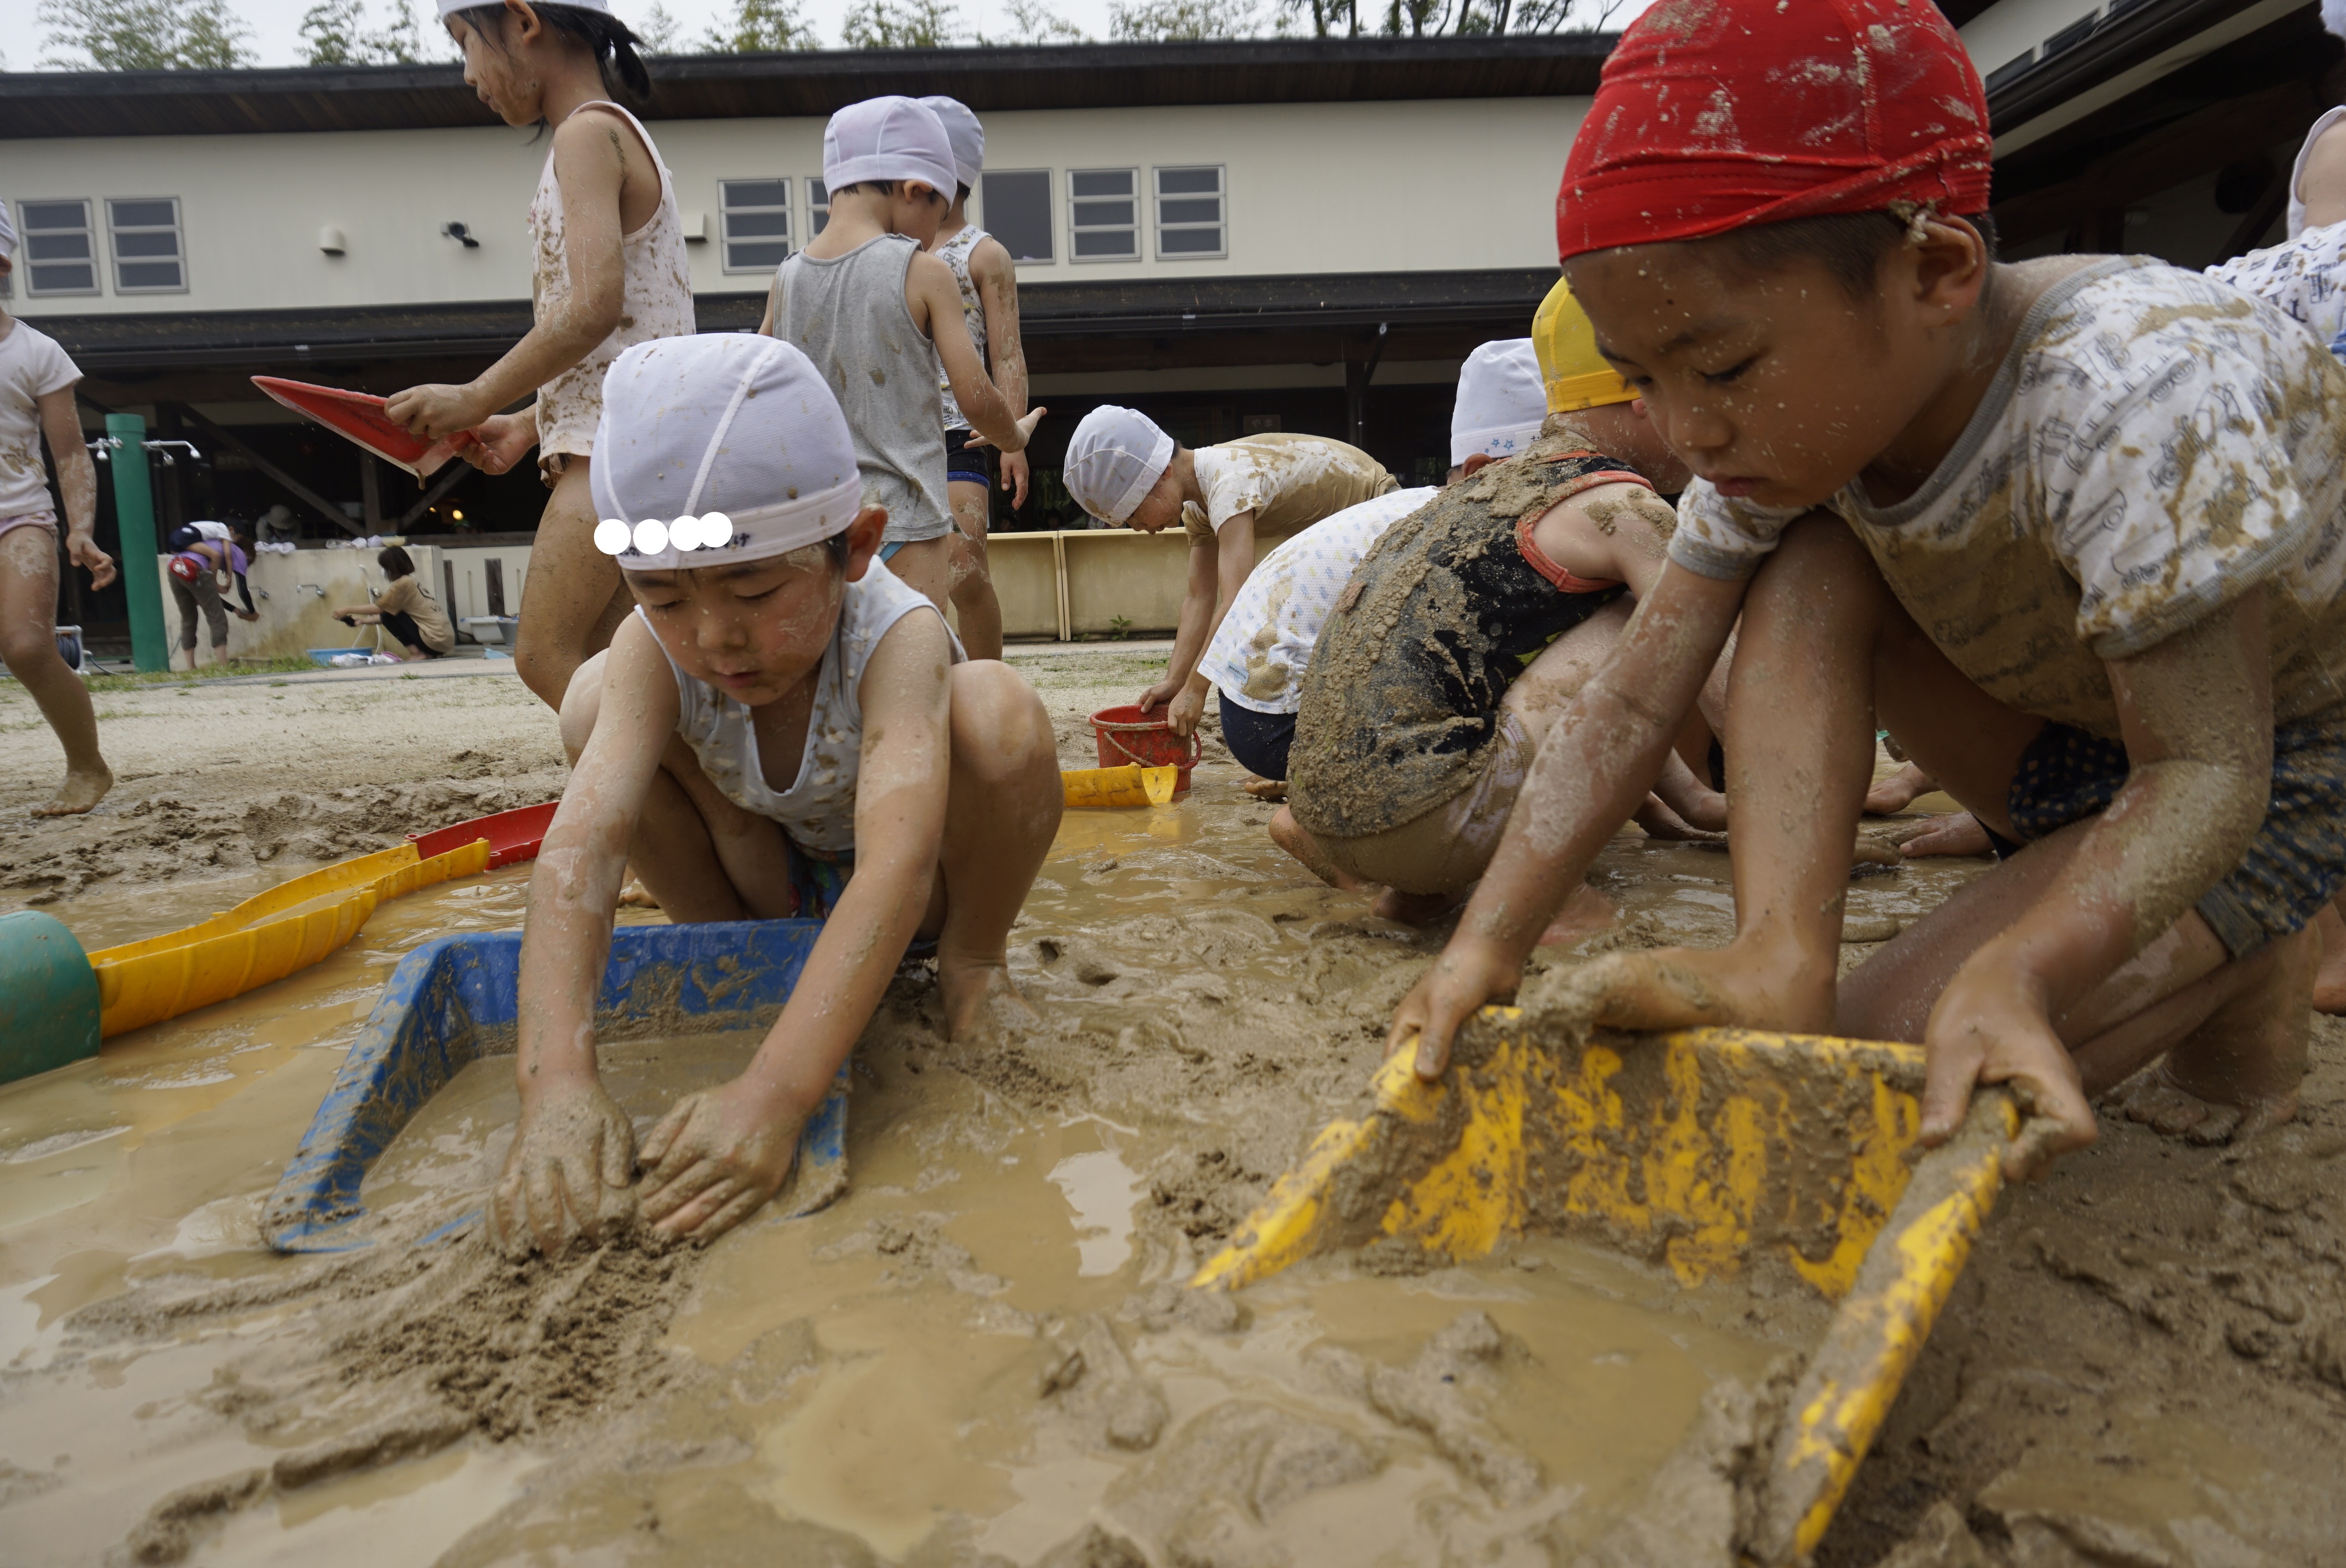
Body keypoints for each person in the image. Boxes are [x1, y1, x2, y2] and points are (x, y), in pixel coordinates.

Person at [1389, 0, 2346, 1181]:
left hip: (2260, 777)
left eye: (1723, 365)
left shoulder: (2135, 388)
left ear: (1937, 269)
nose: (1687, 430)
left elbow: (2209, 771)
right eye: (1645, 381)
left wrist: (2021, 969)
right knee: (1806, 549)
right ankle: (1776, 954)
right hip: (2076, 744)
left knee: (1874, 1092)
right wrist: (1489, 940)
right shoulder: (1786, 437)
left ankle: (2247, 961)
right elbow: (1636, 703)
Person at [493, 333, 1061, 1253]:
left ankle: (973, 969)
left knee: (998, 711)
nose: (714, 637)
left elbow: (898, 865)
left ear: (856, 547)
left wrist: (773, 1095)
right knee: (591, 703)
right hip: (761, 883)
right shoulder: (655, 647)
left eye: (753, 589)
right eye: (664, 598)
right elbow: (581, 845)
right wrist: (553, 1082)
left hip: (914, 898)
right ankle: (732, 953)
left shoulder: (896, 635)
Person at [1278, 293, 1724, 935]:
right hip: (1433, 815)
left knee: (1550, 645)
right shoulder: (1619, 504)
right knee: (1654, 615)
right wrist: (1801, 815)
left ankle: (1419, 897)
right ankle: (1550, 901)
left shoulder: (1443, 511)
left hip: (1332, 820)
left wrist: (1698, 805)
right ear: (1645, 398)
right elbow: (1713, 672)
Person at [385, 0, 693, 711]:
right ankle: (683, 814)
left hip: (615, 452)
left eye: (465, 42)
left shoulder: (586, 136)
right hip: (641, 442)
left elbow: (593, 308)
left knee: (547, 655)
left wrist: (476, 395)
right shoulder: (612, 133)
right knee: (623, 663)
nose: (467, 73)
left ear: (524, 22)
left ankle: (698, 815)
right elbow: (628, 331)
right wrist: (528, 423)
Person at [1198, 337, 1538, 792]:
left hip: (1256, 713)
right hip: (1278, 728)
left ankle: (1321, 772)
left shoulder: (1425, 508)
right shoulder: (1455, 533)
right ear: (1482, 473)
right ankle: (1335, 778)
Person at [758, 96, 1042, 617]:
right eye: (938, 209)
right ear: (916, 190)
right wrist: (1014, 434)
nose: (936, 232)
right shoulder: (923, 271)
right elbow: (975, 398)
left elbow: (761, 386)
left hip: (820, 519)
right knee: (915, 663)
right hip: (908, 518)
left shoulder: (787, 276)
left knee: (842, 668)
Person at [1061, 407, 1398, 739]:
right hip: (1340, 538)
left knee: (1309, 649)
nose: (1137, 529)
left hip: (1382, 518)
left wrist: (1196, 688)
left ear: (1162, 472)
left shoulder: (1229, 480)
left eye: (1134, 514)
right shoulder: (1198, 505)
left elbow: (1236, 601)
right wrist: (1175, 681)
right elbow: (1199, 598)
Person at [0, 205, 115, 816]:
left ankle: (87, 767)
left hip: (18, 516)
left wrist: (81, 530)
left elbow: (70, 453)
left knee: (25, 646)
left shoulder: (35, 352)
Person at [920, 95, 1030, 662]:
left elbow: (1007, 355)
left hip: (964, 431)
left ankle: (984, 682)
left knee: (964, 567)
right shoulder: (888, 251)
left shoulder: (984, 254)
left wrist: (1012, 440)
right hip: (893, 433)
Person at [332, 545, 456, 660]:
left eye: (384, 567)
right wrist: (362, 621)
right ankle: (425, 653)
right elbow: (393, 615)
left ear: (391, 568)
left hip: (435, 639)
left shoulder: (402, 584)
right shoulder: (410, 582)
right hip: (444, 640)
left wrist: (347, 609)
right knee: (389, 615)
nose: (383, 571)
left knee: (387, 616)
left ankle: (417, 654)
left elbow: (379, 609)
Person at [166, 532, 260, 672]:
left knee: (188, 618)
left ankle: (190, 668)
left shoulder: (213, 545)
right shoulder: (240, 553)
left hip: (175, 567)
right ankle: (223, 666)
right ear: (249, 553)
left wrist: (235, 610)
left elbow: (209, 596)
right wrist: (252, 612)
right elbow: (243, 591)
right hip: (194, 569)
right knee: (217, 618)